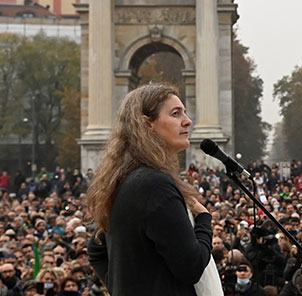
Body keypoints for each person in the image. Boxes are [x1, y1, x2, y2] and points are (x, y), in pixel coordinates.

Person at [86, 84, 216, 295]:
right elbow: (191, 267)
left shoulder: (123, 178)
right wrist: (204, 221)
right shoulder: (155, 185)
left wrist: (122, 287)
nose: (188, 121)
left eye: (184, 112)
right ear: (147, 125)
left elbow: (96, 250)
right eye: (176, 114)